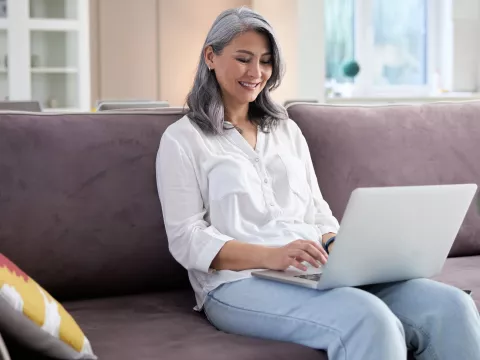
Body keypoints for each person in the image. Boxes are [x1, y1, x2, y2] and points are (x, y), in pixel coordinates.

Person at [156, 7, 480, 360]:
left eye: (266, 61)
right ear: (211, 57)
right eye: (243, 59)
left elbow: (316, 209)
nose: (256, 72)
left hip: (315, 271)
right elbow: (187, 239)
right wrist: (273, 256)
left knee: (451, 307)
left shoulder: (286, 131)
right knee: (367, 318)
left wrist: (335, 241)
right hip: (237, 284)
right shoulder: (182, 140)